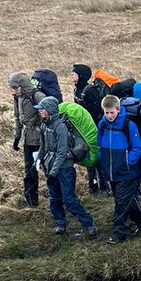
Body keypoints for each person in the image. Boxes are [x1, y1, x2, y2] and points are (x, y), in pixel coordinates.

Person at [37, 97, 97, 238]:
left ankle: (88, 223)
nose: (39, 111)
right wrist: (40, 161)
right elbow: (43, 146)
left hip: (64, 169)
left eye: (42, 108)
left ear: (50, 109)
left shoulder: (61, 127)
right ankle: (60, 224)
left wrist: (53, 172)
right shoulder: (44, 125)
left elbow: (62, 152)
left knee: (69, 199)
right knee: (54, 198)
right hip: (52, 168)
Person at [96, 95, 141, 245]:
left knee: (121, 202)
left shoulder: (129, 126)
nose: (109, 116)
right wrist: (102, 159)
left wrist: (126, 163)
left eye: (112, 113)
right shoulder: (102, 125)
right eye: (106, 113)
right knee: (124, 199)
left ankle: (119, 232)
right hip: (111, 170)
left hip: (128, 172)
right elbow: (99, 144)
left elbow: (137, 148)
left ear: (118, 109)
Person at [72, 64, 109, 195]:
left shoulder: (90, 91)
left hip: (94, 129)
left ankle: (104, 186)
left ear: (81, 76)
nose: (71, 75)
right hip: (84, 130)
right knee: (88, 157)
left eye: (74, 73)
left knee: (97, 158)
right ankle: (92, 185)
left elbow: (98, 111)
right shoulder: (77, 90)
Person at [8, 71, 41, 207]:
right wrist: (17, 137)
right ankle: (32, 202)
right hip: (28, 140)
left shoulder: (37, 96)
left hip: (41, 140)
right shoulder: (18, 98)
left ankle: (59, 198)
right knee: (29, 170)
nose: (14, 91)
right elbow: (18, 118)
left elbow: (49, 113)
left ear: (23, 86)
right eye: (13, 88)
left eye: (16, 88)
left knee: (49, 170)